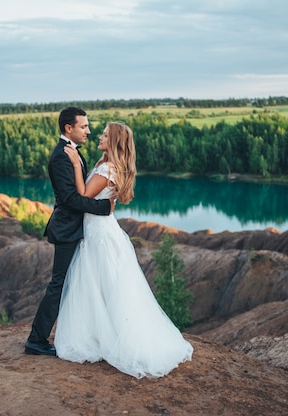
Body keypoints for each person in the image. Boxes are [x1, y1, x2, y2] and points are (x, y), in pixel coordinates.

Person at [54, 122, 193, 378]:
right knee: (100, 285)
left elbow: (84, 194)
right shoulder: (107, 164)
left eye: (105, 134)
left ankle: (111, 339)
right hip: (99, 230)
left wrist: (75, 164)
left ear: (114, 141)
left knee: (101, 284)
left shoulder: (107, 168)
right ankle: (104, 334)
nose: (100, 136)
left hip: (99, 235)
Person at [25, 107, 115, 356]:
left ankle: (87, 334)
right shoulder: (61, 156)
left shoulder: (72, 153)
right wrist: (103, 206)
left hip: (78, 229)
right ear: (68, 128)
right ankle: (36, 340)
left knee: (78, 282)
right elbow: (70, 200)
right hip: (67, 229)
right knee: (59, 284)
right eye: (84, 126)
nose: (89, 131)